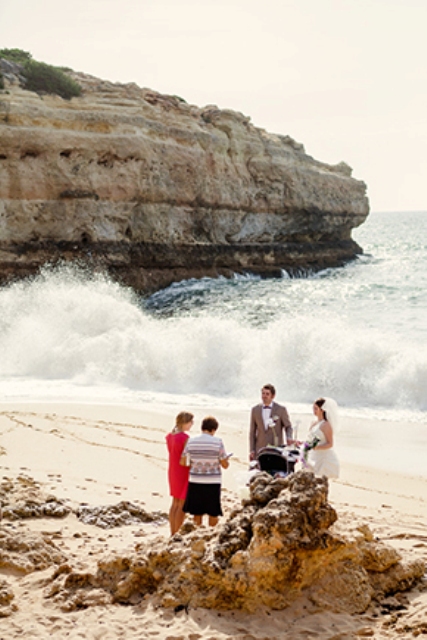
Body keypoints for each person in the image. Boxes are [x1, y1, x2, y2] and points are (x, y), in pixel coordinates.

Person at [182, 416, 230, 527]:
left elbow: (184, 461)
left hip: (195, 480)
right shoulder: (218, 442)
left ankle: (196, 535)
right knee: (213, 512)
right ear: (213, 430)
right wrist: (226, 460)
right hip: (212, 481)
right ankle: (211, 534)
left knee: (196, 512)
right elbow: (224, 465)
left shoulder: (191, 441)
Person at [166, 411, 194, 535]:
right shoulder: (185, 438)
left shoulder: (169, 436)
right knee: (182, 504)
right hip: (183, 471)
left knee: (175, 502)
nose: (192, 424)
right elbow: (187, 457)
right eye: (191, 422)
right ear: (185, 423)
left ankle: (172, 532)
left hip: (173, 469)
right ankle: (177, 532)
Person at [249, 383, 293, 461]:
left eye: (267, 394)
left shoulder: (281, 410)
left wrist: (289, 437)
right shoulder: (255, 410)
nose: (264, 396)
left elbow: (288, 426)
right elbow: (252, 432)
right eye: (263, 393)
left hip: (276, 448)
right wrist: (252, 450)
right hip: (260, 449)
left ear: (273, 396)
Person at [306, 397, 340, 479]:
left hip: (323, 457)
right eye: (313, 408)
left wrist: (317, 447)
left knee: (320, 480)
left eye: (316, 408)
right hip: (313, 455)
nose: (314, 411)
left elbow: (330, 443)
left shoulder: (326, 425)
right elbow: (309, 438)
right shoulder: (313, 423)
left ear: (322, 410)